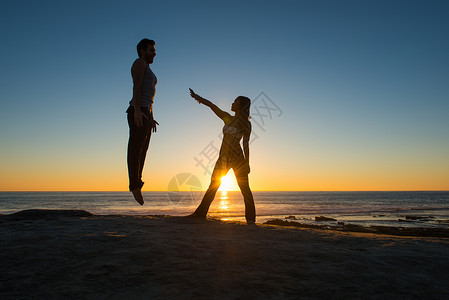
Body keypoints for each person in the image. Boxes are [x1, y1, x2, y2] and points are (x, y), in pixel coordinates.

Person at [187, 89, 256, 224]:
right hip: (223, 158)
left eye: (235, 101)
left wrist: (247, 163)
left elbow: (246, 144)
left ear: (241, 105)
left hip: (238, 160)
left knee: (245, 190)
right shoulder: (227, 118)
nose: (232, 103)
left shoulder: (246, 124)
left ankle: (251, 220)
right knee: (213, 185)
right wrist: (198, 97)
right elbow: (212, 106)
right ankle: (200, 214)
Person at [127, 38, 159, 205]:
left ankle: (137, 183)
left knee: (143, 150)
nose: (154, 53)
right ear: (142, 51)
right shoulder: (139, 63)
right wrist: (138, 111)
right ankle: (134, 185)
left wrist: (151, 116)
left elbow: (150, 98)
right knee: (136, 147)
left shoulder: (149, 70)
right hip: (138, 110)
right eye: (151, 50)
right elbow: (136, 87)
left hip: (146, 112)